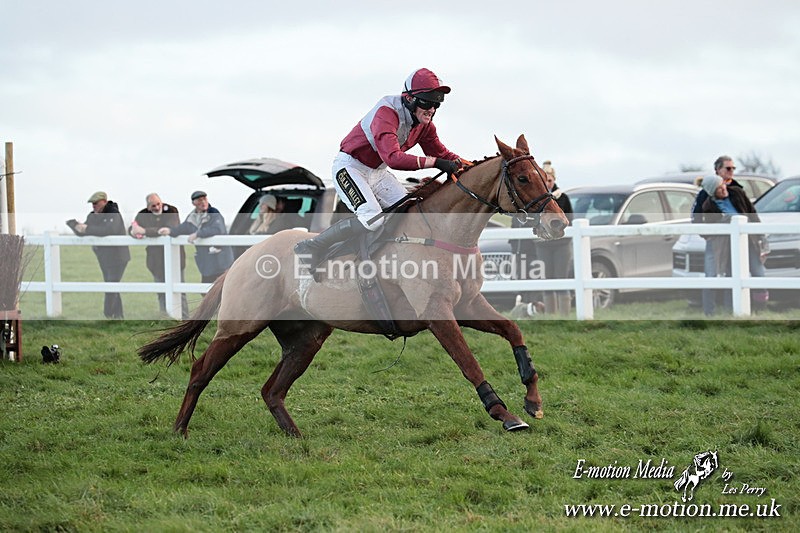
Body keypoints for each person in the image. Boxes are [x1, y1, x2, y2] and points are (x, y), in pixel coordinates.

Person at [295, 68, 465, 270]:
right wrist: (436, 163)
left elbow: (442, 153)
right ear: (409, 99)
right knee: (372, 219)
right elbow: (393, 159)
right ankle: (313, 246)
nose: (432, 109)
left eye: (437, 103)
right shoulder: (386, 113)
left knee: (409, 213)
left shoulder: (425, 125)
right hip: (350, 168)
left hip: (378, 172)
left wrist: (475, 166)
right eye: (427, 102)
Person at [699, 171, 768, 315]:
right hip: (729, 245)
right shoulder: (708, 207)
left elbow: (752, 213)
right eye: (719, 188)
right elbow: (708, 229)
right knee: (731, 276)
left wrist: (761, 234)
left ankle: (761, 310)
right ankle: (730, 311)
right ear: (712, 192)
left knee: (758, 273)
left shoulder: (737, 193)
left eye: (723, 185)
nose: (723, 189)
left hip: (750, 240)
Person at [70, 191, 130, 319]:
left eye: (96, 203)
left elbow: (109, 230)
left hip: (118, 257)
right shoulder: (93, 216)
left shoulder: (114, 214)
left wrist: (86, 228)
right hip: (104, 257)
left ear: (104, 201)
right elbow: (86, 231)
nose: (93, 206)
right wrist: (74, 226)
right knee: (112, 284)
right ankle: (118, 316)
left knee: (111, 284)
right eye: (92, 204)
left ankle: (108, 314)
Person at [130, 193, 189, 318]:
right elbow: (134, 226)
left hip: (175, 260)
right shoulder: (142, 214)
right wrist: (133, 231)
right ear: (148, 207)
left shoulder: (172, 211)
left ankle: (185, 320)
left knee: (179, 291)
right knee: (161, 292)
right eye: (153, 205)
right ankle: (166, 318)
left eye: (158, 204)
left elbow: (168, 229)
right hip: (155, 261)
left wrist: (146, 231)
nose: (157, 207)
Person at [161, 191, 233, 284]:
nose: (203, 202)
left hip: (221, 261)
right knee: (205, 290)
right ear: (194, 203)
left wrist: (197, 234)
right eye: (199, 200)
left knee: (221, 289)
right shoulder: (192, 217)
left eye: (204, 199)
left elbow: (218, 229)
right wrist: (170, 231)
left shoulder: (214, 213)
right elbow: (183, 228)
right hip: (207, 263)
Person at [534, 161, 573, 315]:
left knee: (561, 277)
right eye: (545, 180)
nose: (548, 183)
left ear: (554, 180)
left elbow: (570, 218)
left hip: (562, 244)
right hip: (543, 244)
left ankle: (564, 314)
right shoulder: (537, 199)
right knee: (547, 278)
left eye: (550, 180)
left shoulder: (563, 198)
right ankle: (550, 314)